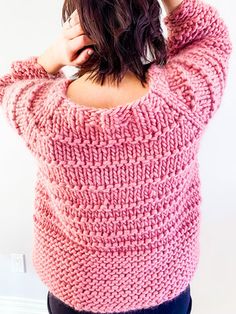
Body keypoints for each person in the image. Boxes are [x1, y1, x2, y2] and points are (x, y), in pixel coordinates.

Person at [0, 0, 232, 313]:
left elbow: (9, 86)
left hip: (75, 294)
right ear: (149, 24)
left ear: (78, 27)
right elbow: (210, 38)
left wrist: (51, 57)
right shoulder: (183, 99)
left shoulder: (42, 113)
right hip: (162, 290)